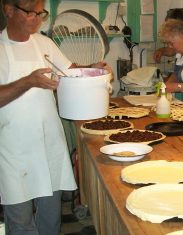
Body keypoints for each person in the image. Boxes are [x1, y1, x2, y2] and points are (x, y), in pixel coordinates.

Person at [0, 0, 109, 234]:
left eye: (41, 13)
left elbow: (70, 71)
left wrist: (93, 68)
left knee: (50, 218)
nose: (37, 19)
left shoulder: (44, 43)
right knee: (20, 221)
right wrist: (28, 81)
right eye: (31, 13)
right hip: (13, 149)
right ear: (8, 10)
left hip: (49, 143)